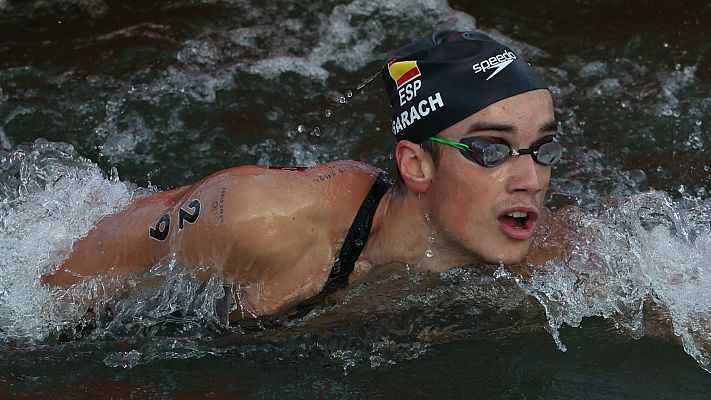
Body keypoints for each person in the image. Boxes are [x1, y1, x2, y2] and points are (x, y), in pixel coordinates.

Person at [42, 30, 564, 321]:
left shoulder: (517, 246)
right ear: (416, 165)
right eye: (491, 150)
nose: (530, 180)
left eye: (540, 149)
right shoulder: (259, 218)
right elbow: (73, 277)